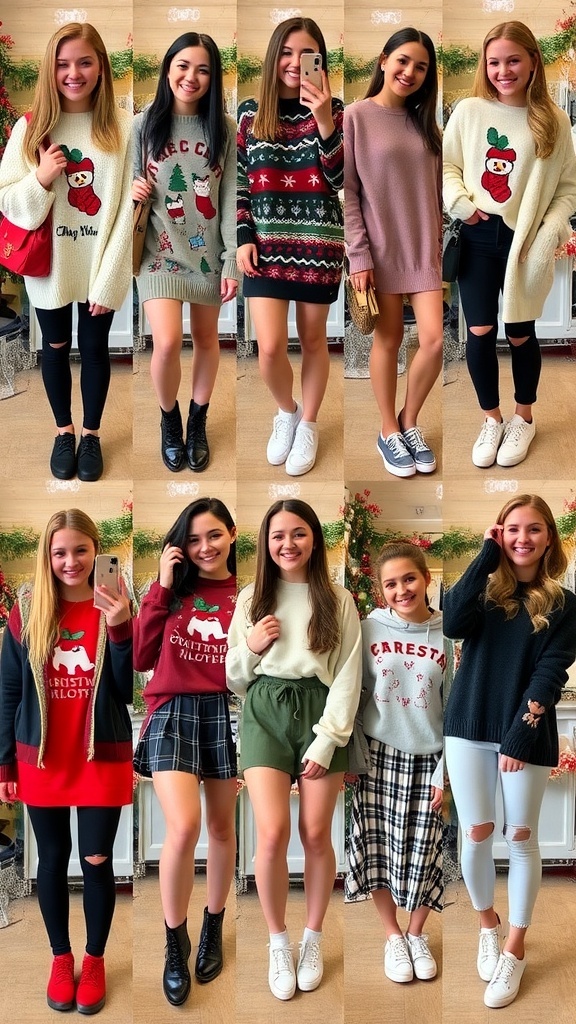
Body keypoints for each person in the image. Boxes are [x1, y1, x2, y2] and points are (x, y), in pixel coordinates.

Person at [443, 494, 576, 1008]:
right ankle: (487, 924)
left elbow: (550, 671)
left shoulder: (565, 604)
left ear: (549, 538)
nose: (523, 538)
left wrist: (521, 732)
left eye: (534, 528)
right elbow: (452, 623)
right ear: (499, 533)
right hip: (468, 725)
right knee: (476, 832)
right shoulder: (483, 591)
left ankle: (514, 948)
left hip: (526, 731)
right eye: (512, 528)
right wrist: (485, 555)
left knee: (520, 836)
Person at [226, 499, 361, 1000]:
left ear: (315, 539)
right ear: (265, 542)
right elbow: (232, 677)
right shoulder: (250, 598)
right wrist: (252, 646)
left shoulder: (338, 599)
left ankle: (313, 939)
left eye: (299, 533)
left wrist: (328, 740)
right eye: (278, 535)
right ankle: (278, 942)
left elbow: (348, 676)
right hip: (264, 709)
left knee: (315, 832)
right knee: (272, 832)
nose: (288, 544)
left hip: (320, 710)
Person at [0, 509, 133, 1014]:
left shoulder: (116, 602)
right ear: (47, 556)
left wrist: (119, 628)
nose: (71, 561)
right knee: (52, 860)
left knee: (97, 860)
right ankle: (61, 958)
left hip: (101, 757)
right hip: (42, 761)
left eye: (81, 550)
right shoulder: (27, 609)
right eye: (60, 552)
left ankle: (94, 960)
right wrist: (4, 765)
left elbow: (125, 689)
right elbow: (9, 692)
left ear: (97, 551)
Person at [0, 23, 132, 482]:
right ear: (49, 70)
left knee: (95, 349)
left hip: (99, 267)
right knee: (54, 349)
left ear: (101, 67)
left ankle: (91, 435)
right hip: (48, 269)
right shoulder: (31, 127)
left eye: (84, 62)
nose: (73, 73)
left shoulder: (123, 128)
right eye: (62, 64)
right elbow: (7, 201)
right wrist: (40, 178)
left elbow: (127, 212)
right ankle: (64, 432)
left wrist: (111, 278)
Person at [443, 21, 576, 469]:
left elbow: (568, 190)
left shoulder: (554, 121)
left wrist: (549, 232)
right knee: (479, 331)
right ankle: (491, 419)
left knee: (521, 331)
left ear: (533, 61)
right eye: (494, 62)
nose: (503, 71)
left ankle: (524, 417)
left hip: (527, 241)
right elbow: (447, 167)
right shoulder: (469, 112)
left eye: (513, 60)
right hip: (477, 234)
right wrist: (462, 206)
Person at [133, 497, 237, 1006]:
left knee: (221, 828)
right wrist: (162, 584)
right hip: (172, 710)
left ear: (232, 534)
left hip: (222, 711)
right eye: (193, 539)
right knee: (183, 827)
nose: (204, 547)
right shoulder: (170, 592)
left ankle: (212, 925)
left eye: (214, 535)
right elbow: (139, 657)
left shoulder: (248, 595)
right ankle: (175, 943)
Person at [236, 18, 344, 476]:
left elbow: (340, 179)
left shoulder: (335, 110)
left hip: (318, 243)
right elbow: (240, 183)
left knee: (314, 340)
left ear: (320, 61)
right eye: (286, 52)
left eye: (306, 55)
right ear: (273, 57)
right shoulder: (249, 113)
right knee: (269, 347)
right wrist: (243, 235)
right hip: (264, 246)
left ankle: (310, 423)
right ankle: (287, 411)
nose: (295, 63)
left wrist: (324, 120)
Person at [132, 34, 237, 474]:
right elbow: (126, 185)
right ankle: (169, 421)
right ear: (168, 68)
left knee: (208, 340)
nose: (191, 77)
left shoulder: (224, 129)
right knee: (168, 341)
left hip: (208, 254)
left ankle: (197, 422)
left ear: (213, 78)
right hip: (158, 252)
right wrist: (132, 191)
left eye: (203, 69)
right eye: (182, 65)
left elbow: (230, 198)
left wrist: (231, 259)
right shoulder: (143, 125)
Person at [344, 28, 443, 479]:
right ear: (383, 60)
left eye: (421, 67)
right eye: (403, 60)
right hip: (380, 250)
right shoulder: (355, 116)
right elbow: (348, 194)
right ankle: (388, 429)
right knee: (388, 340)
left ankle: (409, 419)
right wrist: (359, 256)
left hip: (422, 249)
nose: (410, 72)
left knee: (433, 340)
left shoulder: (426, 124)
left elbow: (435, 190)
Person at [346, 541, 444, 982]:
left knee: (427, 850)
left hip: (431, 758)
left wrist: (447, 770)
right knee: (376, 850)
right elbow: (351, 693)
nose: (401, 590)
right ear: (380, 589)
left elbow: (456, 707)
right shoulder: (368, 629)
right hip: (376, 755)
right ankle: (393, 936)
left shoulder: (450, 634)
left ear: (426, 579)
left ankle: (416, 932)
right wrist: (350, 754)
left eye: (409, 579)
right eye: (391, 584)